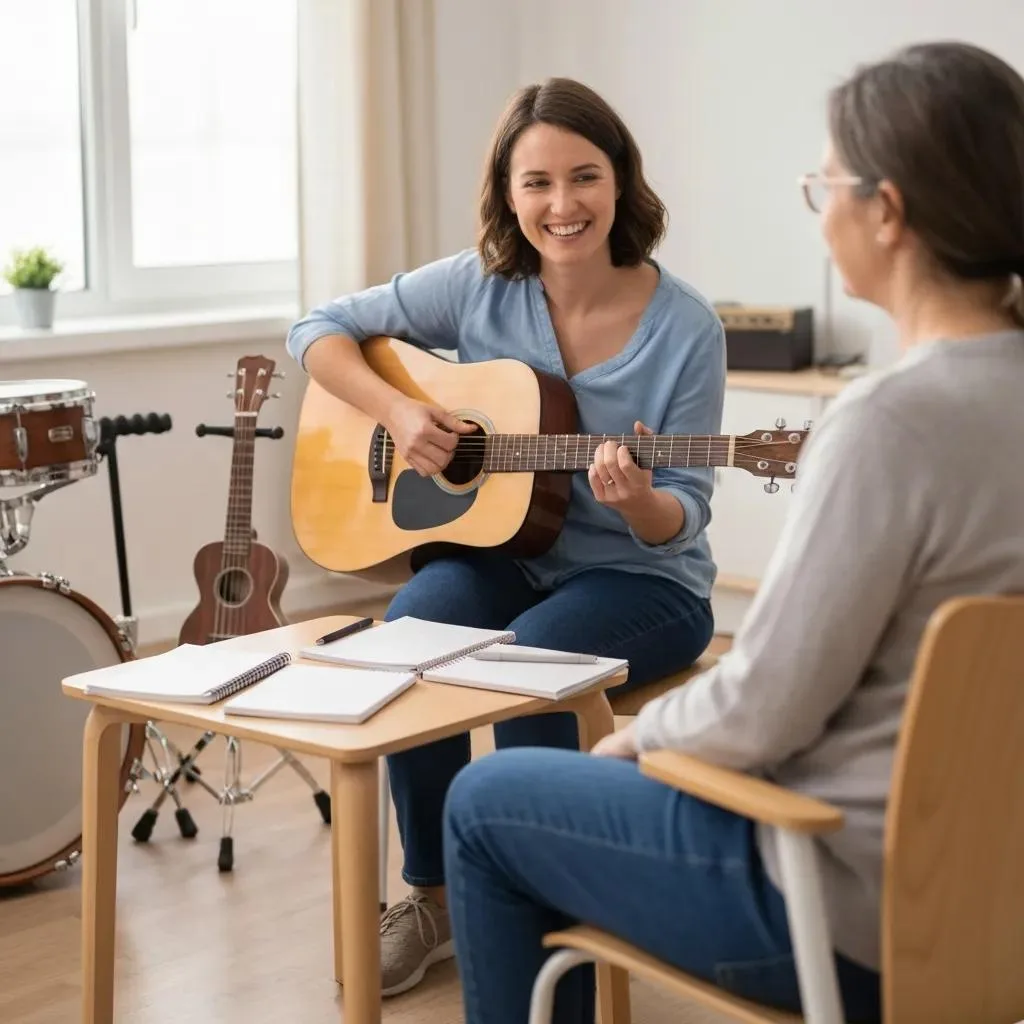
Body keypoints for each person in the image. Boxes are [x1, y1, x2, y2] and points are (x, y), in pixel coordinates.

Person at [440, 40, 1024, 1024]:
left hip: (839, 899)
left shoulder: (888, 423)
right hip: (993, 898)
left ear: (885, 213)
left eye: (823, 182)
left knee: (487, 799)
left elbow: (763, 709)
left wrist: (630, 746)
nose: (821, 208)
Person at [285, 77, 726, 995]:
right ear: (508, 192)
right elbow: (316, 330)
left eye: (584, 177)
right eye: (537, 183)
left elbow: (683, 509)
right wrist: (402, 413)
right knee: (410, 635)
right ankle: (438, 898)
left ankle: (554, 908)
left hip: (645, 585)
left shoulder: (686, 328)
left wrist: (640, 498)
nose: (562, 206)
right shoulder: (482, 285)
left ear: (622, 183)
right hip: (509, 558)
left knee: (527, 670)